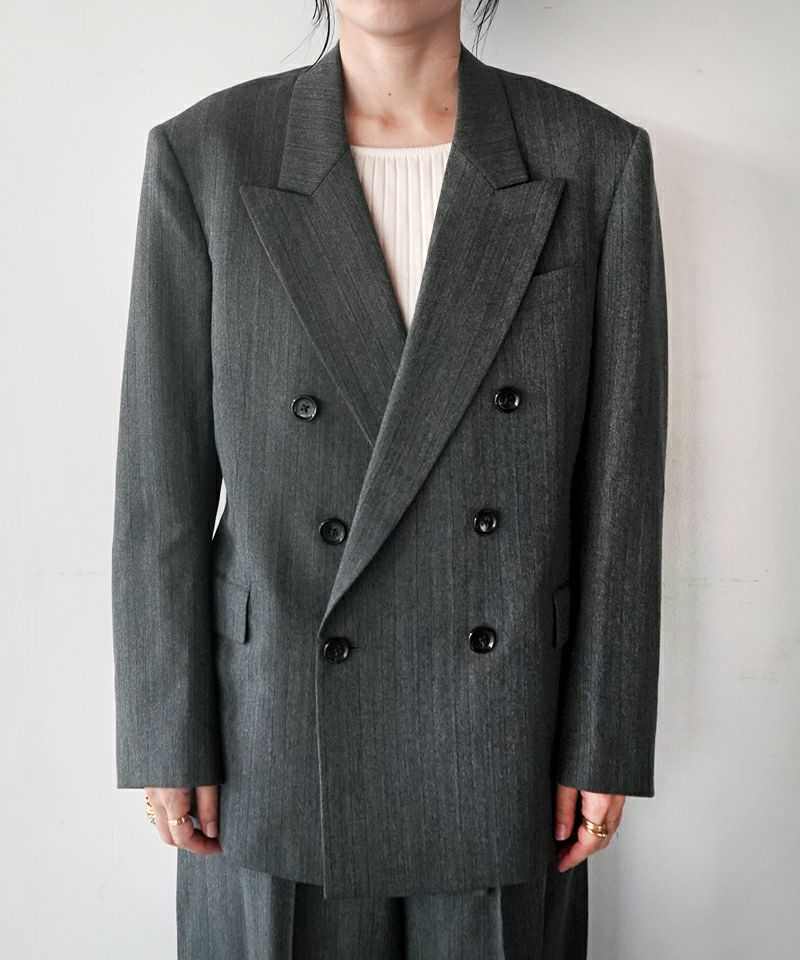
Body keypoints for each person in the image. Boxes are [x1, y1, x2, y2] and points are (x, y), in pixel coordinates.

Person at [111, 1, 668, 957]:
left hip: (506, 732)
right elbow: (158, 481)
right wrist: (167, 729)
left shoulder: (593, 157)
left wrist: (603, 733)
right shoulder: (207, 155)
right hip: (272, 733)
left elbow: (622, 487)